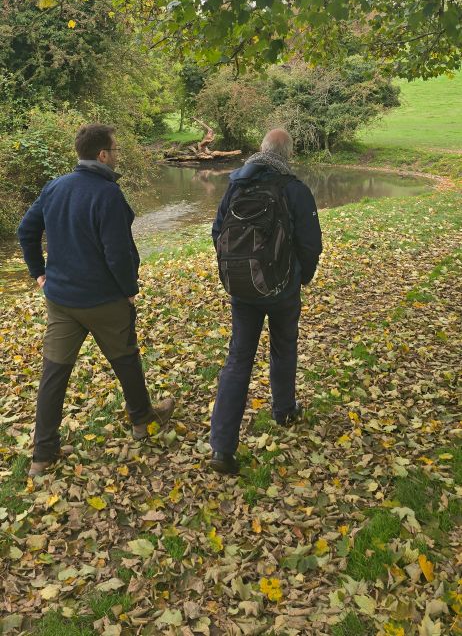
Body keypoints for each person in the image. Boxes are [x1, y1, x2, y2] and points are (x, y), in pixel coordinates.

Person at [17, 123, 174, 477]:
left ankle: (43, 455)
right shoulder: (107, 195)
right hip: (103, 299)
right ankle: (141, 421)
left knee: (54, 373)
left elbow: (26, 230)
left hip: (60, 300)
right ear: (102, 154)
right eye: (115, 149)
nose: (116, 155)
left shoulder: (55, 186)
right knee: (126, 359)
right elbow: (117, 252)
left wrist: (38, 272)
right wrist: (129, 287)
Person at [209, 128, 322, 474]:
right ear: (287, 154)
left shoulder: (236, 184)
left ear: (261, 151)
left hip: (242, 290)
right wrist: (300, 278)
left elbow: (217, 232)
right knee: (284, 347)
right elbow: (311, 244)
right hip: (283, 289)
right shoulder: (294, 189)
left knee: (238, 359)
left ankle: (221, 449)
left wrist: (240, 273)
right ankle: (284, 410)